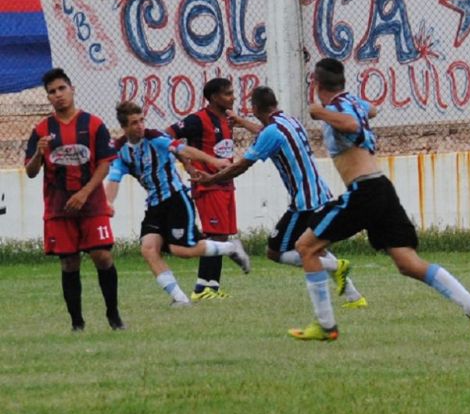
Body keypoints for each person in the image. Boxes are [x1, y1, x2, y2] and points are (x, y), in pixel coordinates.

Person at [287, 58, 470, 343]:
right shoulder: (353, 103)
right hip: (381, 189)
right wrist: (354, 109)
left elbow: (349, 125)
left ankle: (326, 325)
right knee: (407, 263)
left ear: (316, 83)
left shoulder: (334, 110)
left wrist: (320, 113)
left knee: (305, 247)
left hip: (364, 192)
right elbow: (372, 109)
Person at [194, 86, 366, 308]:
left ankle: (337, 267)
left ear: (255, 108)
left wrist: (210, 179)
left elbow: (241, 166)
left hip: (305, 203)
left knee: (274, 251)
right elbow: (266, 133)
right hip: (320, 195)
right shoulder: (289, 121)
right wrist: (242, 122)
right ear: (274, 104)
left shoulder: (271, 132)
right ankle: (355, 298)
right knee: (317, 249)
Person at [105, 102, 251, 306]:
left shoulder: (154, 138)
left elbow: (184, 149)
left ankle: (231, 248)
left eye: (141, 120)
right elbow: (114, 178)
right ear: (125, 127)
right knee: (148, 249)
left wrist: (214, 162)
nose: (140, 126)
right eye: (134, 123)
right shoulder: (121, 150)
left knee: (181, 250)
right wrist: (108, 202)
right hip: (155, 205)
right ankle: (180, 299)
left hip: (175, 199)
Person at [24, 68, 124, 331]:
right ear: (48, 98)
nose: (58, 95)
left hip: (92, 204)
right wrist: (38, 154)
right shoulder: (42, 130)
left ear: (72, 89)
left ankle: (114, 316)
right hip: (58, 207)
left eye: (61, 89)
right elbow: (31, 172)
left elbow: (104, 164)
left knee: (102, 255)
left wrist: (84, 192)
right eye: (52, 92)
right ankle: (77, 323)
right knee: (69, 262)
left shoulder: (93, 124)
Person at [166, 78, 239, 302]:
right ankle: (202, 289)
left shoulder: (227, 119)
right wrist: (188, 165)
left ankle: (209, 287)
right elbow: (167, 136)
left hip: (226, 183)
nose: (232, 97)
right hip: (208, 186)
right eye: (227, 94)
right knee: (214, 234)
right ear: (215, 97)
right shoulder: (197, 120)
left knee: (223, 235)